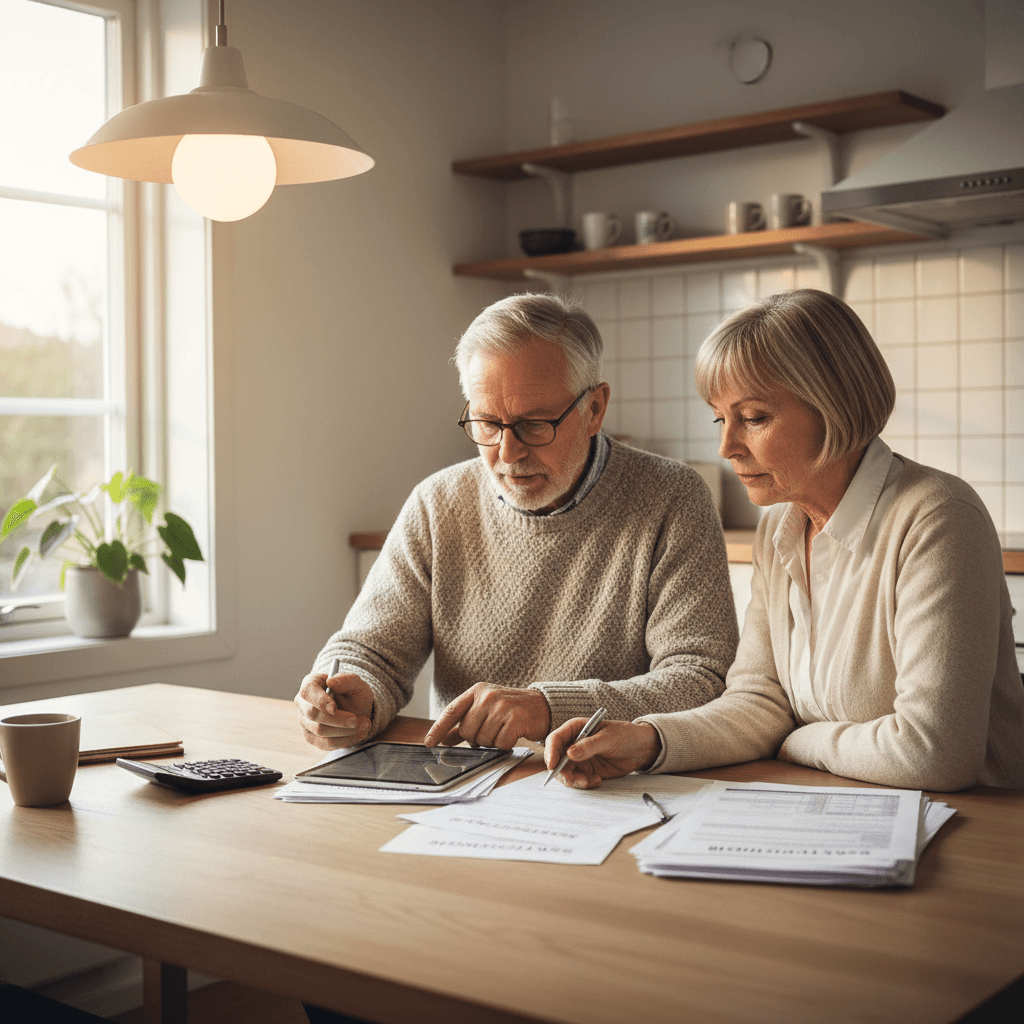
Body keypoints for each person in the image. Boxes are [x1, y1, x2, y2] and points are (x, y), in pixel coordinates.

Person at [545, 289, 1024, 793]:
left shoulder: (938, 518)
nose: (727, 446)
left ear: (833, 404)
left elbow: (933, 753)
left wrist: (797, 739)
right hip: (849, 804)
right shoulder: (780, 526)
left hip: (980, 825)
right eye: (720, 418)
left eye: (753, 418)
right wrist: (645, 741)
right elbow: (759, 702)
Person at [294, 293, 738, 752]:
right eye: (487, 423)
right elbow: (372, 652)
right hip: (465, 784)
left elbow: (701, 680)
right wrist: (349, 696)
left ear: (595, 409)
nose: (507, 454)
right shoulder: (436, 503)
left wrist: (547, 707)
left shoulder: (672, 497)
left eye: (534, 424)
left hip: (609, 780)